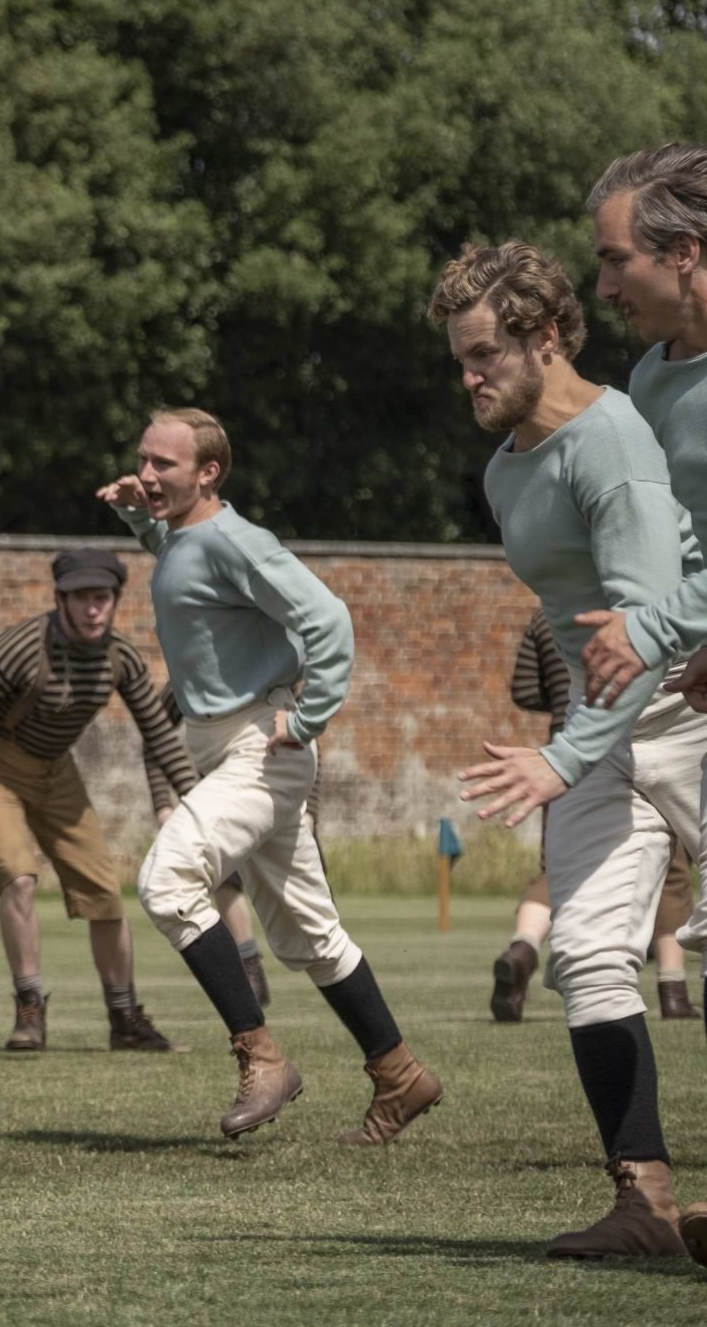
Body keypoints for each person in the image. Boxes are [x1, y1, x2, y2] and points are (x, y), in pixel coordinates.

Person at [433, 241, 703, 1256]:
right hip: (597, 734)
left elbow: (641, 623)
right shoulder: (506, 468)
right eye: (459, 359)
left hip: (682, 709)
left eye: (482, 355)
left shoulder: (612, 441)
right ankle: (644, 1206)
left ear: (545, 337)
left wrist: (556, 758)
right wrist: (571, 747)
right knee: (587, 954)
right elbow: (570, 622)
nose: (468, 378)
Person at [101, 408, 440, 1144]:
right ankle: (400, 1073)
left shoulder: (237, 540)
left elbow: (329, 620)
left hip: (264, 745)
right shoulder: (187, 537)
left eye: (165, 465)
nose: (149, 474)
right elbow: (192, 578)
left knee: (167, 881)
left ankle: (261, 1058)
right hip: (229, 750)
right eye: (144, 461)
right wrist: (142, 518)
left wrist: (309, 715)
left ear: (209, 472)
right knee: (309, 937)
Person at [0, 547, 189, 1052]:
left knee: (103, 888)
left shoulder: (119, 658)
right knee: (18, 877)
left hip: (57, 772)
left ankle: (125, 1018)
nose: (92, 609)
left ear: (114, 601)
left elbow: (161, 735)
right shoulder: (19, 649)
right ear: (60, 600)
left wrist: (196, 802)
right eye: (81, 598)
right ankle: (30, 1010)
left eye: (101, 598)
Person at [489, 612, 696, 1024]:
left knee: (562, 862)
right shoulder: (655, 605)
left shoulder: (546, 615)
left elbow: (525, 689)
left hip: (567, 739)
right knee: (671, 873)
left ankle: (524, 945)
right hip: (656, 729)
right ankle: (673, 989)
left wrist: (567, 692)